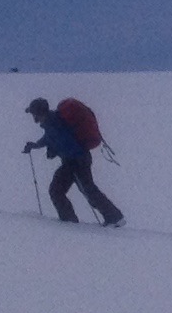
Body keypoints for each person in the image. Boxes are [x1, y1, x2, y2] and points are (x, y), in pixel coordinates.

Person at [24, 96, 124, 226]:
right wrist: (36, 145)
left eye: (34, 114)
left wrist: (56, 150)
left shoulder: (54, 123)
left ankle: (112, 218)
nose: (34, 119)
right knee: (63, 190)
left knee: (77, 189)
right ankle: (72, 221)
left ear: (39, 113)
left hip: (77, 161)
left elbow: (66, 142)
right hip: (74, 161)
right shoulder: (52, 121)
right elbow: (49, 138)